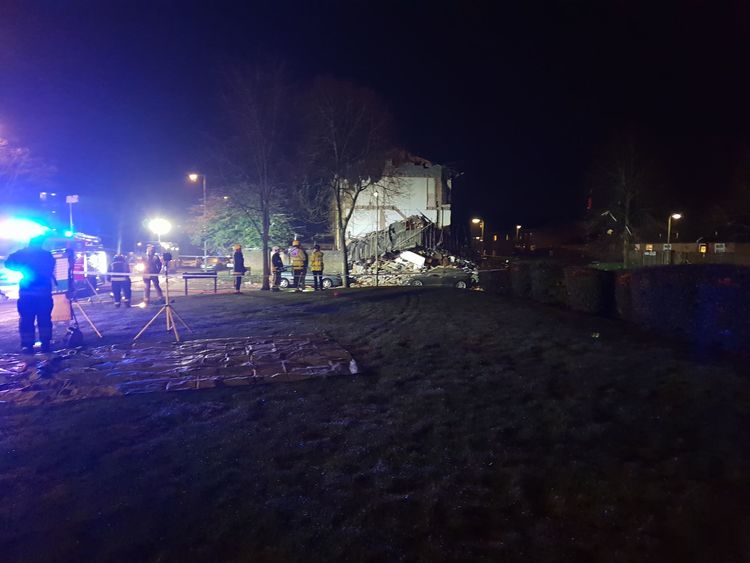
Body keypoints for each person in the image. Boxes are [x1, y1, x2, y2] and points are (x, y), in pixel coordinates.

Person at [5, 236, 57, 353]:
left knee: (26, 320)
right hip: (44, 292)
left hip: (27, 292)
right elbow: (49, 269)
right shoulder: (47, 255)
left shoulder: (23, 254)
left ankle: (27, 345)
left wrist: (22, 267)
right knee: (44, 319)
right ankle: (45, 344)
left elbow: (8, 263)